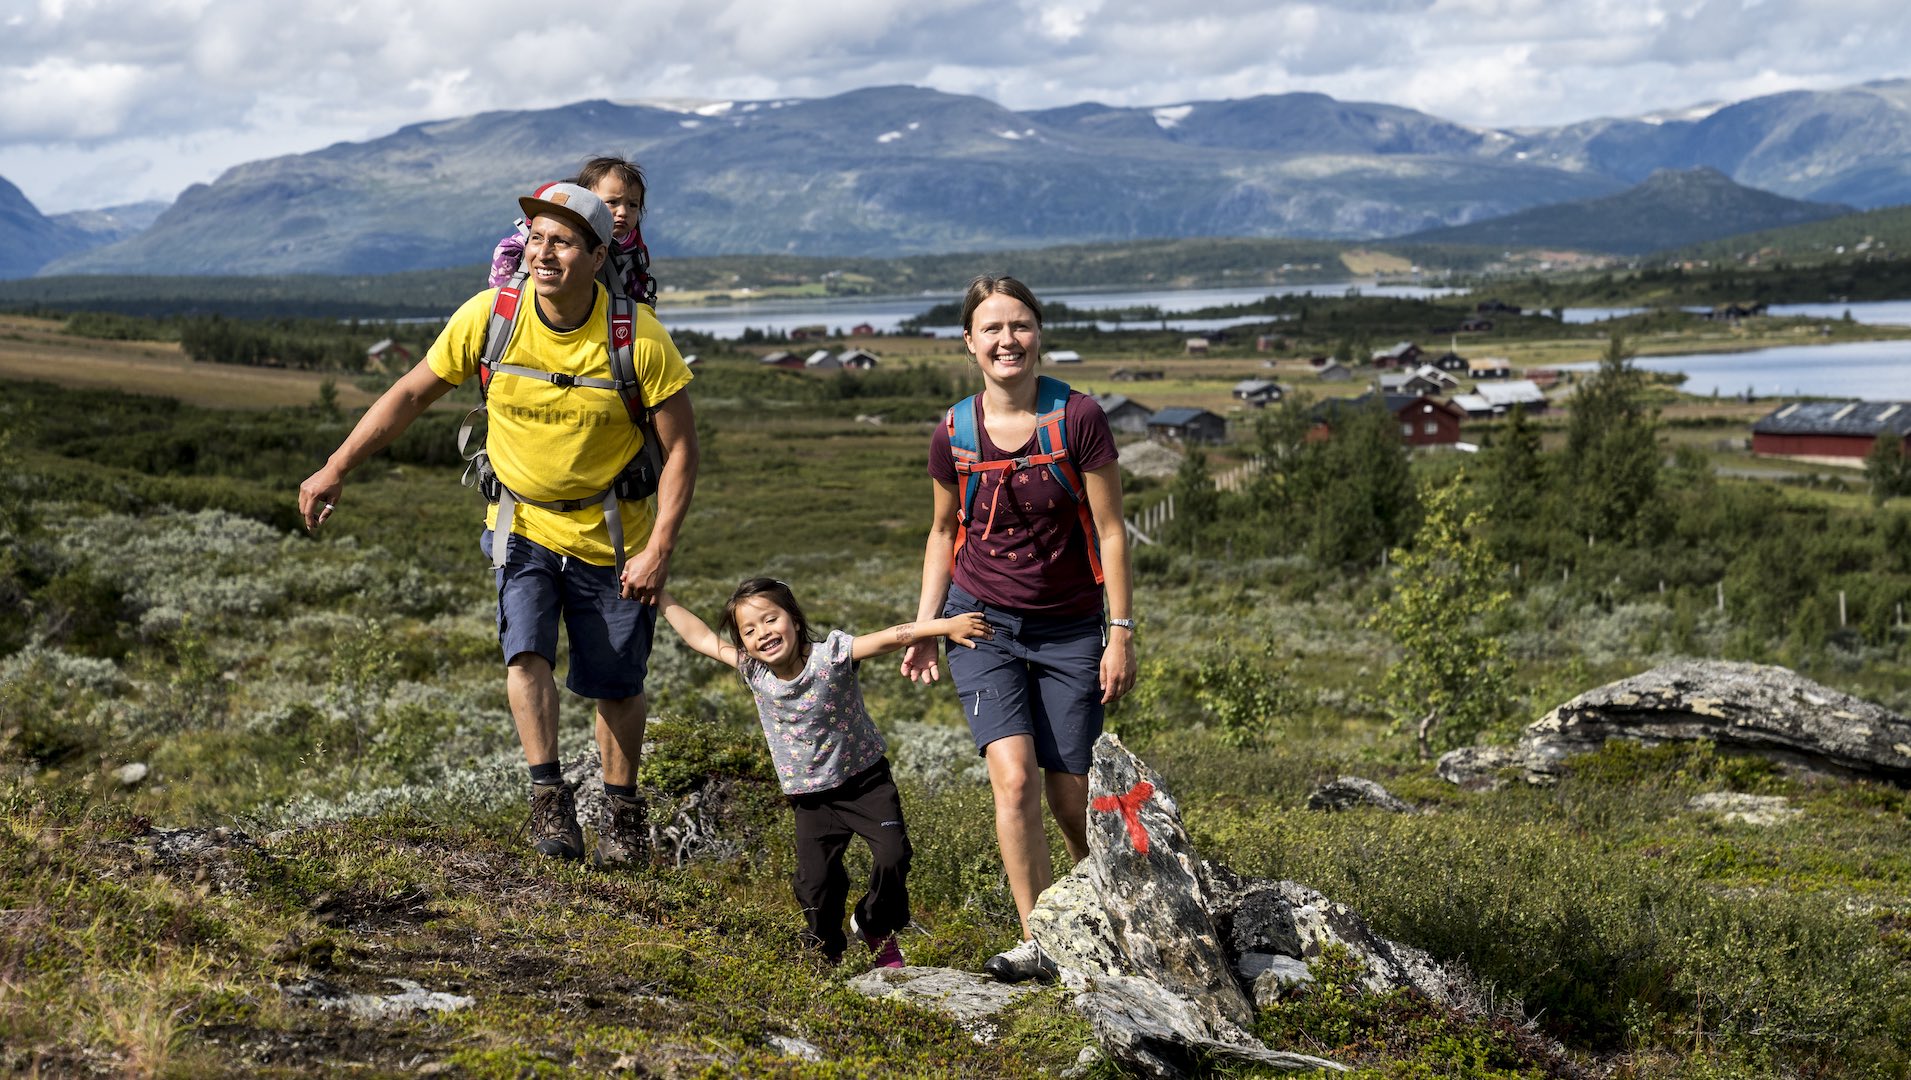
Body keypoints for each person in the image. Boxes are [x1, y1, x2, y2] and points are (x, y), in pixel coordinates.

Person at [298, 183, 697, 866]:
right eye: (537, 237)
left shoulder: (637, 338)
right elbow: (408, 394)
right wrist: (335, 466)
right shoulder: (490, 316)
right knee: (526, 653)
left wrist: (659, 546)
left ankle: (623, 811)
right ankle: (549, 800)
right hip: (521, 527)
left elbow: (683, 447)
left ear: (598, 256)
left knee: (616, 683)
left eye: (563, 242)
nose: (544, 253)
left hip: (614, 538)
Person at [899, 274, 1136, 983]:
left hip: (1069, 627)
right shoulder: (953, 432)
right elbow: (943, 531)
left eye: (1020, 325)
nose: (1008, 340)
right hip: (980, 622)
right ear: (969, 342)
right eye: (992, 329)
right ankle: (1040, 940)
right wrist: (924, 624)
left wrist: (1118, 631)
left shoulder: (1079, 418)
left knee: (1070, 793)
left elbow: (1111, 531)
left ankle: (1110, 907)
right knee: (1011, 779)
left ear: (1039, 334)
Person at [658, 578, 991, 966]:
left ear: (795, 620)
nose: (762, 633)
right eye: (748, 630)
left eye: (770, 620)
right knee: (815, 886)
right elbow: (699, 637)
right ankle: (824, 952)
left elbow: (889, 637)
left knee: (893, 855)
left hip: (866, 782)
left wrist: (944, 627)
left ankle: (874, 924)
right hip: (811, 799)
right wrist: (660, 596)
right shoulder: (754, 672)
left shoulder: (831, 655)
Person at [491, 156, 657, 306]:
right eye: (612, 202)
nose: (623, 212)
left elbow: (636, 292)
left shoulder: (632, 248)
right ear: (586, 200)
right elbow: (508, 249)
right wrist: (502, 292)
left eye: (633, 205)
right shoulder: (556, 231)